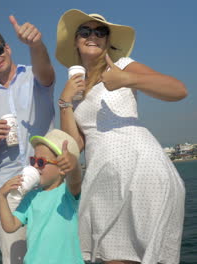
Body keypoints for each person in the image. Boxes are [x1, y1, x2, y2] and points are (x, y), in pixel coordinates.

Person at [56, 9, 187, 264]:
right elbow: (75, 146)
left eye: (100, 31)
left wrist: (126, 78)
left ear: (107, 40)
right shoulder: (75, 90)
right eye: (85, 31)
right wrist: (65, 102)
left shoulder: (124, 65)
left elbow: (178, 90)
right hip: (102, 180)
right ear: (76, 40)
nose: (92, 36)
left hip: (142, 170)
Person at [0, 15, 56, 263]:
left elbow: (47, 73)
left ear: (8, 49)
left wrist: (36, 45)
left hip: (46, 179)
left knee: (54, 254)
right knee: (15, 257)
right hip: (9, 185)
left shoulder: (34, 76)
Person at [0, 129, 83, 263]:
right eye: (33, 161)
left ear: (62, 168)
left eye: (41, 162)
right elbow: (10, 226)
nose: (35, 166)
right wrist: (2, 196)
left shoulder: (68, 193)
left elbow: (76, 180)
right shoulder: (30, 197)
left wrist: (74, 165)